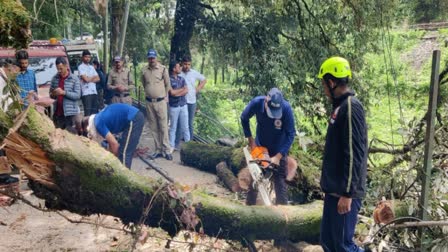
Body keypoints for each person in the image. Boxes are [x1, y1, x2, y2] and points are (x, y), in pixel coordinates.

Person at [317, 56, 367, 252]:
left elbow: (354, 153)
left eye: (323, 84)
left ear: (331, 82)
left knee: (343, 246)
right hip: (334, 190)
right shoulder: (339, 107)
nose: (323, 89)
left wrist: (348, 194)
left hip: (344, 193)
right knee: (328, 242)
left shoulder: (350, 107)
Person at [240, 87, 296, 205]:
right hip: (261, 146)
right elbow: (244, 117)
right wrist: (251, 140)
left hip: (279, 148)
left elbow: (291, 134)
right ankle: (249, 210)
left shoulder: (286, 109)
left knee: (280, 182)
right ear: (266, 101)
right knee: (255, 179)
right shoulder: (257, 103)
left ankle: (282, 215)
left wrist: (278, 156)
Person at [82, 103, 144, 169]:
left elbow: (115, 144)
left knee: (124, 153)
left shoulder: (98, 123)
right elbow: (110, 143)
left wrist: (113, 161)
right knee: (124, 151)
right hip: (133, 116)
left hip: (133, 118)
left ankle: (123, 177)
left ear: (88, 126)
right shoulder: (98, 118)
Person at [141, 49, 172, 160]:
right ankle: (158, 149)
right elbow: (144, 84)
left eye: (153, 58)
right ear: (147, 58)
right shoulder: (144, 70)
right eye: (150, 58)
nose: (151, 60)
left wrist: (165, 96)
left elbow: (168, 85)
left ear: (156, 58)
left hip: (161, 102)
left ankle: (166, 150)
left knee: (163, 126)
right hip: (149, 102)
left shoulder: (163, 69)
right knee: (153, 127)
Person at [175, 55, 206, 147]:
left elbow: (204, 80)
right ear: (182, 64)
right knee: (180, 122)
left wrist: (198, 89)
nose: (187, 66)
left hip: (192, 101)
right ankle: (176, 144)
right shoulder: (179, 73)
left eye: (189, 64)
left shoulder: (194, 73)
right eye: (185, 64)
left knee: (190, 123)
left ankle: (190, 145)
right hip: (181, 101)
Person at [49, 57, 82, 135]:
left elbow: (77, 95)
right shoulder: (55, 78)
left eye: (61, 68)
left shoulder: (74, 79)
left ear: (66, 66)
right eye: (57, 69)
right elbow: (51, 95)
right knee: (59, 137)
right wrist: (53, 94)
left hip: (70, 114)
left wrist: (64, 92)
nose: (59, 71)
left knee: (71, 137)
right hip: (58, 114)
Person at [168, 62, 189, 153]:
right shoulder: (169, 80)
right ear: (174, 69)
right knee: (173, 127)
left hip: (183, 105)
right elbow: (171, 93)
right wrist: (181, 90)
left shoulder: (182, 79)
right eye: (178, 67)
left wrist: (177, 92)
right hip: (174, 106)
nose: (180, 68)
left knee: (186, 127)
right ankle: (171, 146)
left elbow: (187, 90)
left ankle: (189, 146)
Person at [78, 50, 100, 116]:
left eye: (89, 57)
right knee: (88, 114)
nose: (87, 58)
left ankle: (93, 126)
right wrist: (93, 77)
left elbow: (98, 79)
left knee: (95, 113)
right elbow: (86, 80)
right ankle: (87, 126)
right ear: (82, 57)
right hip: (86, 93)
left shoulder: (91, 67)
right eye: (86, 57)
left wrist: (88, 78)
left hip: (94, 92)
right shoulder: (80, 67)